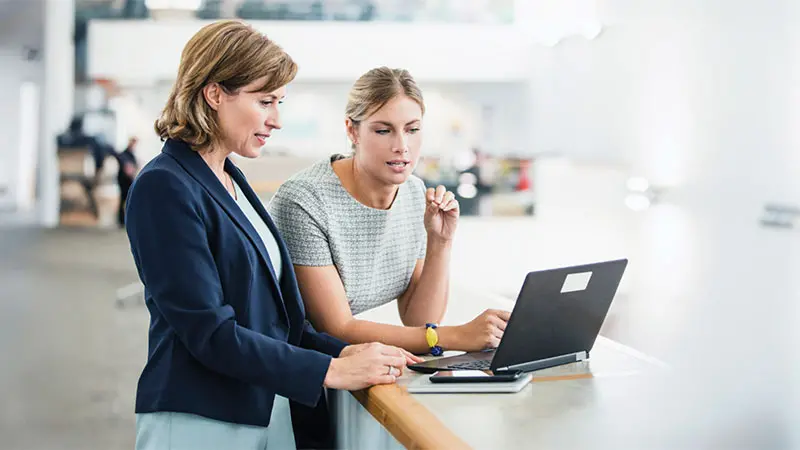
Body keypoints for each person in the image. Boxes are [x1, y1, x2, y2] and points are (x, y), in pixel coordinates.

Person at [124, 21, 417, 450]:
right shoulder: (164, 185)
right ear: (214, 93)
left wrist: (340, 353)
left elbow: (274, 321)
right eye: (265, 101)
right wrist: (326, 372)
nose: (276, 120)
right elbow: (208, 331)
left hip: (266, 410)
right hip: (200, 421)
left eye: (279, 102)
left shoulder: (231, 179)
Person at [268, 67, 510, 357]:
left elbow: (421, 322)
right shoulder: (305, 200)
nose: (401, 146)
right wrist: (458, 336)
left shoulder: (414, 193)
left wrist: (440, 242)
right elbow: (336, 328)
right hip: (291, 364)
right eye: (383, 130)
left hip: (342, 361)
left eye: (412, 129)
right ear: (351, 130)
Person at [115, 136, 139, 227]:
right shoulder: (124, 154)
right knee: (124, 200)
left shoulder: (131, 154)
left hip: (129, 180)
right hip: (124, 181)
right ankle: (121, 221)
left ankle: (124, 220)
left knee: (126, 200)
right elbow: (127, 168)